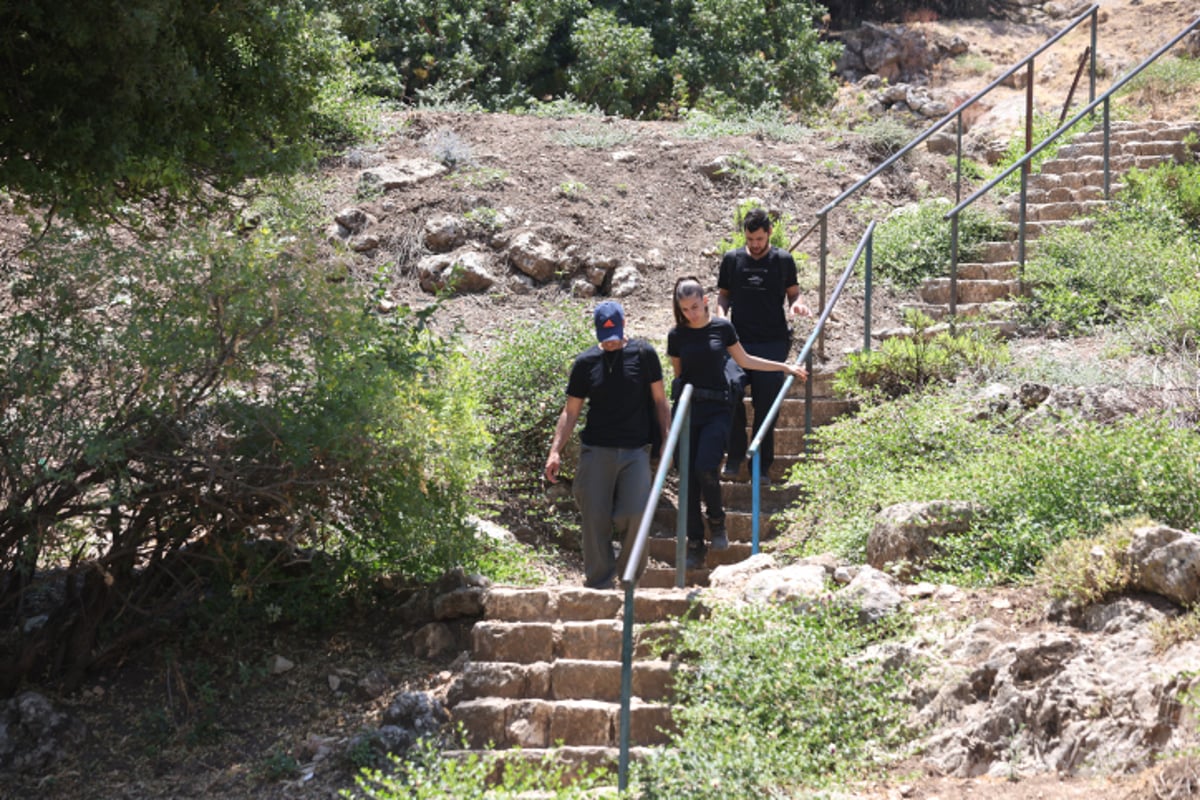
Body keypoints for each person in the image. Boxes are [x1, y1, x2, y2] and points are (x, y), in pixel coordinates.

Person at [668, 278, 806, 570]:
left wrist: (783, 366)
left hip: (718, 408)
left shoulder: (722, 328)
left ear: (705, 300)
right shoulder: (676, 335)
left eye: (695, 307)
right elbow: (679, 376)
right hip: (690, 411)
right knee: (688, 482)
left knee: (706, 467)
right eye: (685, 309)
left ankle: (717, 522)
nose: (691, 314)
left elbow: (744, 359)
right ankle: (695, 543)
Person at [544, 301, 672, 589]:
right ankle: (599, 581)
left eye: (614, 336)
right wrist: (555, 451)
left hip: (636, 450)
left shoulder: (643, 354)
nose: (610, 343)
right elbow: (571, 411)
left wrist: (666, 441)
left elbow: (661, 402)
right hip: (596, 449)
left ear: (624, 324)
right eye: (605, 337)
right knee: (594, 516)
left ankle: (629, 580)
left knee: (635, 513)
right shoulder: (586, 363)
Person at [716, 207, 812, 486]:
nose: (755, 245)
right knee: (729, 389)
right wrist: (721, 319)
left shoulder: (783, 260)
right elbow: (723, 296)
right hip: (738, 340)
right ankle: (733, 455)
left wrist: (797, 304)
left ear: (769, 232)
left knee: (767, 402)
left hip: (773, 341)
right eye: (750, 240)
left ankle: (760, 464)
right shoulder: (732, 260)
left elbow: (794, 293)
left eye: (759, 239)